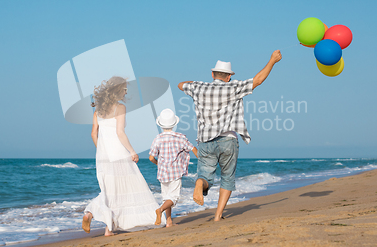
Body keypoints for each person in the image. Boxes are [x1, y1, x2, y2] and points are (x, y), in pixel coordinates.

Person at [178, 50, 282, 221]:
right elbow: (258, 80)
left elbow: (181, 84)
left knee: (205, 175)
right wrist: (272, 60)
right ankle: (218, 215)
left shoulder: (198, 87)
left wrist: (197, 83)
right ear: (228, 77)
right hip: (228, 139)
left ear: (212, 74)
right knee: (227, 177)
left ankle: (200, 183)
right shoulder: (234, 87)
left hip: (205, 140)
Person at [82, 76, 160, 236]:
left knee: (109, 190)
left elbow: (93, 133)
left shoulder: (98, 111)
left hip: (103, 156)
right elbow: (120, 132)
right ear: (118, 90)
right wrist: (132, 151)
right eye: (124, 89)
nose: (126, 92)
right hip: (119, 152)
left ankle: (92, 216)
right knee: (124, 188)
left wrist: (102, 150)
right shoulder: (120, 107)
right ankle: (108, 227)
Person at [149, 108, 198, 227]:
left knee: (166, 197)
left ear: (161, 124)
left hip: (162, 173)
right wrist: (202, 159)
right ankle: (160, 210)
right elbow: (193, 149)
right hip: (175, 173)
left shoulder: (158, 138)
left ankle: (169, 221)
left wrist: (158, 164)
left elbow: (151, 158)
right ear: (174, 124)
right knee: (174, 198)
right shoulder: (180, 137)